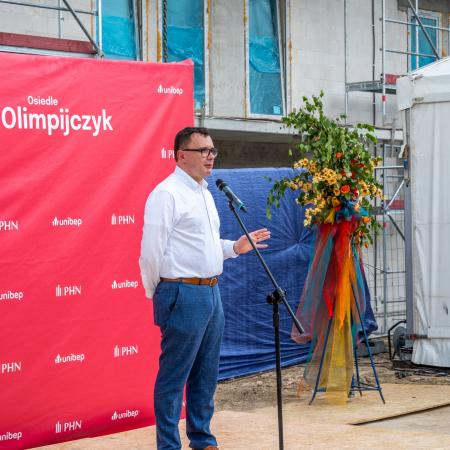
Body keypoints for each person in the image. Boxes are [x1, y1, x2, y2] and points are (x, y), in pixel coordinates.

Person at [139, 127, 270, 450]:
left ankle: (202, 440)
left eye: (212, 150)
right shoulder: (167, 194)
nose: (210, 157)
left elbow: (205, 246)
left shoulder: (206, 193)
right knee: (174, 376)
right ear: (182, 155)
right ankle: (168, 445)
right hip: (182, 292)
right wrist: (162, 292)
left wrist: (234, 247)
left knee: (206, 373)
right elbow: (151, 252)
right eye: (203, 151)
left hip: (211, 291)